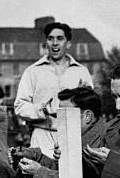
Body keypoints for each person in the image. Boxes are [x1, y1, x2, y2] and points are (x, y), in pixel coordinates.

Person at [14, 22, 93, 158]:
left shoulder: (81, 71)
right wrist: (41, 110)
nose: (54, 43)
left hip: (73, 136)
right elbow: (19, 106)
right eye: (50, 39)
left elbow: (91, 107)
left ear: (68, 43)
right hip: (42, 134)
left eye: (59, 39)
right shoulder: (33, 72)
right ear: (46, 43)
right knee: (40, 177)